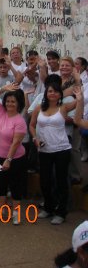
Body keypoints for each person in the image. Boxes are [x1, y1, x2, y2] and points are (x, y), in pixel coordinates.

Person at [30, 76, 77, 225]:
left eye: (56, 92)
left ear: (60, 94)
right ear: (46, 93)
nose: (53, 94)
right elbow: (31, 125)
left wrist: (76, 79)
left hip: (62, 149)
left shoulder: (63, 107)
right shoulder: (39, 108)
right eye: (50, 91)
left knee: (61, 181)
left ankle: (61, 212)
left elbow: (80, 100)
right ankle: (48, 207)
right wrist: (35, 139)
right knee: (45, 181)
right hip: (44, 150)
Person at [0, 82, 27, 226]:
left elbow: (15, 143)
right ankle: (0, 210)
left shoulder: (20, 121)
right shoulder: (1, 112)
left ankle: (16, 213)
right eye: (8, 101)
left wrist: (8, 159)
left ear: (18, 104)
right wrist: (4, 89)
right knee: (1, 184)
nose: (10, 103)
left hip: (15, 158)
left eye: (13, 101)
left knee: (15, 186)